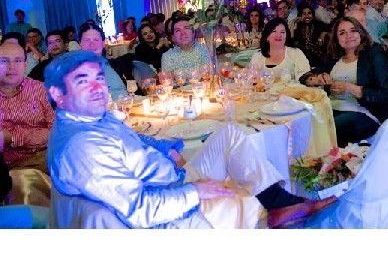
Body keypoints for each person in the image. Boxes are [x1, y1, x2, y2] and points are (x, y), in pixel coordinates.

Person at [44, 50, 336, 229]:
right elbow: (140, 210)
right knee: (238, 164)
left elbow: (135, 137)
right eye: (83, 81)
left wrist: (166, 147)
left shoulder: (91, 117)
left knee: (230, 134)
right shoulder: (81, 147)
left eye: (99, 78)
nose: (98, 88)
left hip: (171, 175)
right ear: (57, 94)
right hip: (169, 199)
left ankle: (279, 202)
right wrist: (195, 191)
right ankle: (275, 206)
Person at [299, 16, 388, 147]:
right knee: (301, 125)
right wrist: (315, 79)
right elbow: (306, 77)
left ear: (360, 32)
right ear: (336, 38)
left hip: (365, 112)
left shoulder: (375, 55)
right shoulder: (335, 57)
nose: (349, 36)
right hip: (331, 108)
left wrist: (352, 89)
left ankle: (331, 159)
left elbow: (386, 96)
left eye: (353, 30)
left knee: (323, 132)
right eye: (342, 33)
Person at [0, 42, 54, 171]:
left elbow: (57, 131)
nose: (11, 66)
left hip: (41, 158)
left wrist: (13, 137)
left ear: (25, 65)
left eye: (18, 61)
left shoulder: (41, 90)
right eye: (4, 61)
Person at [248, 18, 311, 82]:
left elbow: (305, 76)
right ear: (267, 37)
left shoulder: (295, 53)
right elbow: (252, 79)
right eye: (274, 31)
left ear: (286, 36)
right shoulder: (257, 57)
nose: (279, 35)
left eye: (282, 32)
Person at [78, 22, 127, 101]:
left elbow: (133, 90)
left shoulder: (115, 64)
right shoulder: (74, 72)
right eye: (87, 40)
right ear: (80, 43)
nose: (92, 44)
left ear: (103, 43)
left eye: (96, 40)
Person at [290, 2, 329, 68]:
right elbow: (291, 37)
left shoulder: (319, 25)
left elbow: (330, 32)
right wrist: (294, 21)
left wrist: (324, 33)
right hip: (304, 60)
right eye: (304, 14)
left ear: (313, 15)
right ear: (301, 16)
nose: (307, 16)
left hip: (319, 59)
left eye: (309, 13)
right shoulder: (299, 28)